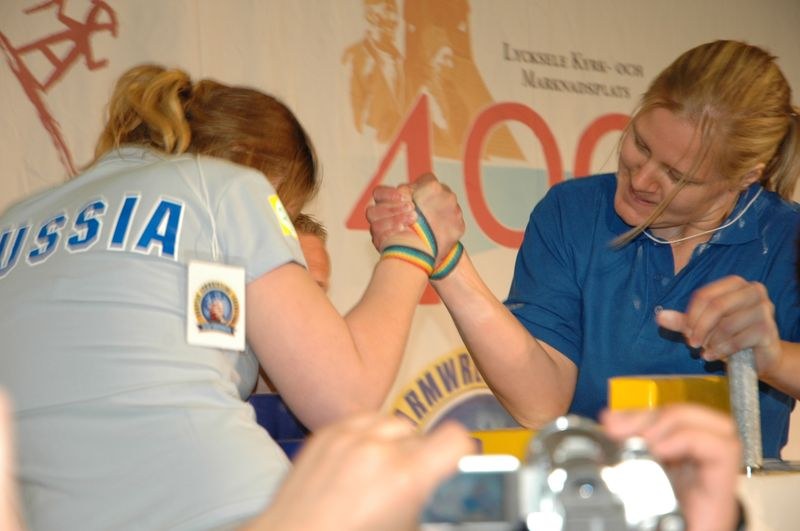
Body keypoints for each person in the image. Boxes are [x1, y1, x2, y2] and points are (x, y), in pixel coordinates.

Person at [0, 64, 463, 530]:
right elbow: (346, 394)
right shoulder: (224, 184)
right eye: (289, 211)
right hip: (225, 510)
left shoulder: (15, 220)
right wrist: (411, 246)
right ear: (249, 162)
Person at [368, 39, 800, 459]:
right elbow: (539, 403)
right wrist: (446, 261)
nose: (642, 179)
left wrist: (771, 356)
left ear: (744, 177)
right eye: (641, 145)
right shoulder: (572, 212)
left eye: (678, 176)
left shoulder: (786, 238)